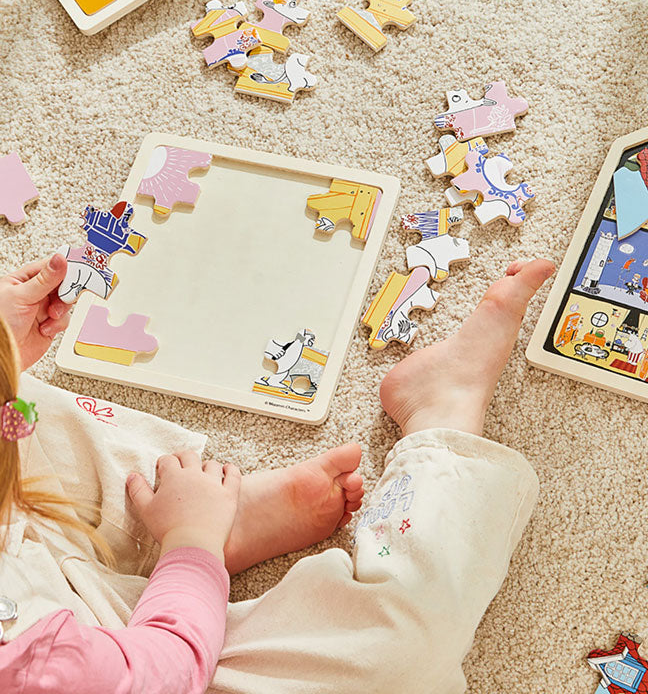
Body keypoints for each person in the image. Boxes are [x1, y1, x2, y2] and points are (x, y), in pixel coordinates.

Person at [0, 250, 554, 693]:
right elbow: (162, 670)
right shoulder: (33, 664)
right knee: (394, 652)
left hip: (34, 582)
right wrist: (191, 545)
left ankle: (186, 524)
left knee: (24, 416)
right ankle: (441, 411)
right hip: (114, 653)